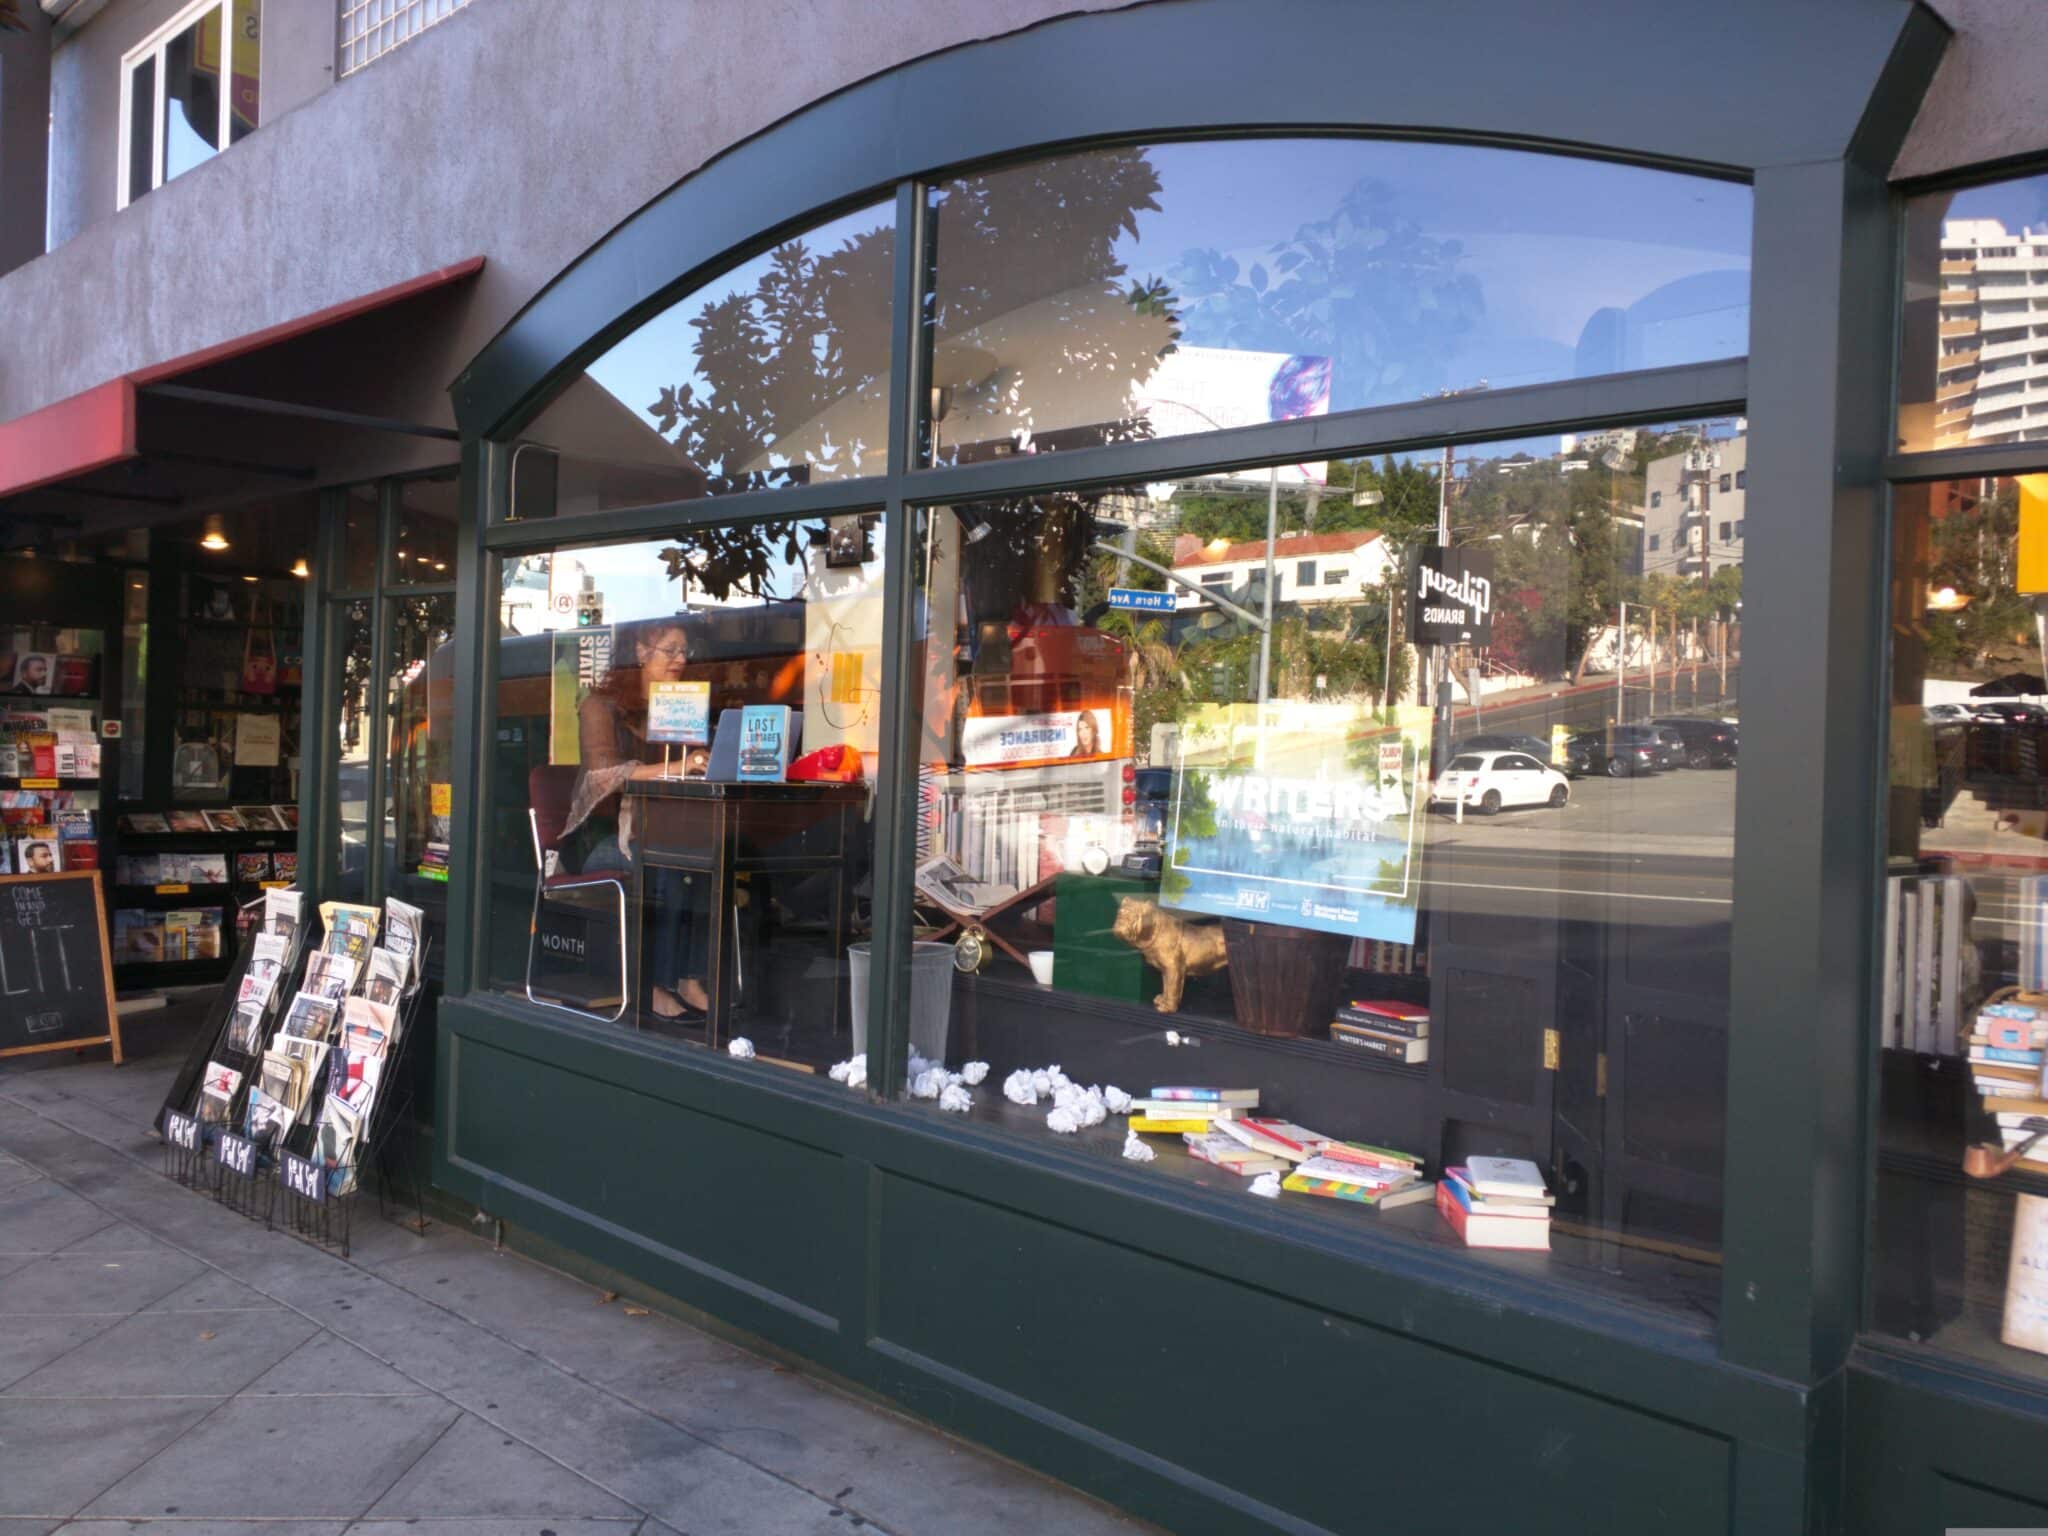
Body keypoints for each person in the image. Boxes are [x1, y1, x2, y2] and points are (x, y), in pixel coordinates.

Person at [561, 616, 710, 1020]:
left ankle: (687, 977)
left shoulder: (678, 706)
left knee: (704, 862)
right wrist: (681, 766)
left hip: (661, 830)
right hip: (601, 841)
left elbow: (693, 766)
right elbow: (604, 774)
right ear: (641, 653)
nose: (680, 659)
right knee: (666, 863)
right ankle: (655, 984)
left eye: (684, 651)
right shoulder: (599, 705)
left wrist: (698, 755)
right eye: (670, 650)